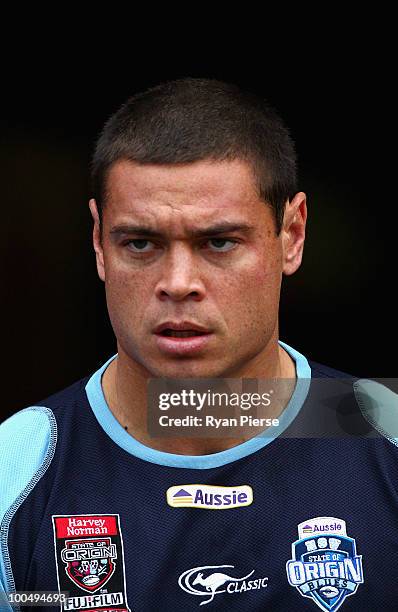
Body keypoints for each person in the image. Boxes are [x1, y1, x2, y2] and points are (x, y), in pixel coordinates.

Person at [0, 78, 396, 612]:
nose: (178, 281)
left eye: (218, 242)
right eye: (140, 243)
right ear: (98, 243)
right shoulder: (19, 465)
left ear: (292, 235)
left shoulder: (381, 429)